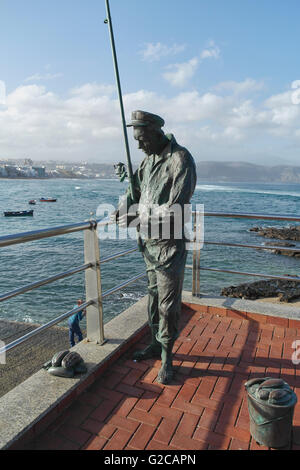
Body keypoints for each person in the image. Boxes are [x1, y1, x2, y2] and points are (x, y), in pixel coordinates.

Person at [114, 110, 197, 384]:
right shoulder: (146, 162)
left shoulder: (180, 159)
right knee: (152, 297)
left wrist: (138, 216)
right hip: (148, 244)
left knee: (168, 304)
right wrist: (123, 206)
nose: (138, 145)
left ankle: (168, 357)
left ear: (155, 132)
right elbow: (136, 195)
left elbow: (176, 208)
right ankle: (154, 344)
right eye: (135, 140)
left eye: (142, 139)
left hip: (170, 247)